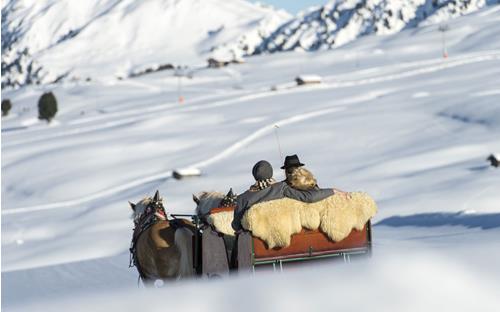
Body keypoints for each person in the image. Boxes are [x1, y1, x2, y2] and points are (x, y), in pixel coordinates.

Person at [231, 160, 335, 231]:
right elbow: (308, 197)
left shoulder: (242, 198)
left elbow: (236, 226)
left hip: (255, 246)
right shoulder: (281, 188)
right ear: (271, 172)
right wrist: (332, 191)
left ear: (254, 175)